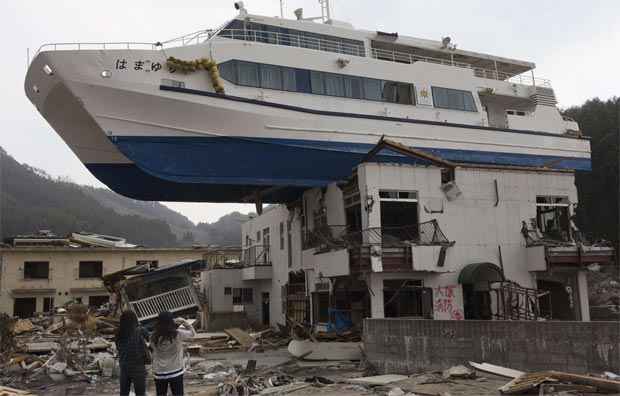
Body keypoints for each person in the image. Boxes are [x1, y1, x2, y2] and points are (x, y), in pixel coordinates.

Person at [150, 311, 196, 396]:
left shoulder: (153, 336)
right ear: (171, 321)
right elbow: (193, 333)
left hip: (159, 372)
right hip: (176, 371)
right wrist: (184, 322)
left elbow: (153, 350)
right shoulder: (178, 334)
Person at [115, 310, 149, 396]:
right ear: (134, 319)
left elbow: (118, 348)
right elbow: (150, 338)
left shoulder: (118, 333)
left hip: (124, 366)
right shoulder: (140, 330)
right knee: (140, 393)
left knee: (124, 393)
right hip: (138, 367)